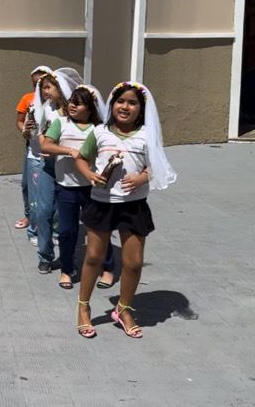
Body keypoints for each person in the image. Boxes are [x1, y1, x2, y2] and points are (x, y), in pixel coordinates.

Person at [74, 81, 177, 339]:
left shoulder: (146, 135)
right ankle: (83, 308)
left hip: (133, 206)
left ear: (141, 109)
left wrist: (143, 178)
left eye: (132, 103)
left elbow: (156, 166)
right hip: (101, 203)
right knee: (93, 258)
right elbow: (80, 158)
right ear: (112, 105)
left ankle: (123, 309)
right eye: (121, 101)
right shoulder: (99, 133)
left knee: (133, 262)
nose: (125, 107)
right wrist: (90, 175)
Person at [41, 84, 114, 290]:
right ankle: (66, 269)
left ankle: (107, 269)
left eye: (79, 103)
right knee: (66, 231)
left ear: (90, 109)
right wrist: (68, 150)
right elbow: (46, 145)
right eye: (72, 101)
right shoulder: (60, 123)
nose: (73, 105)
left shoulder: (98, 129)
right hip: (66, 187)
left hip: (93, 188)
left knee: (99, 230)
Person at [31, 68, 84, 274]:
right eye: (43, 88)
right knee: (43, 211)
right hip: (48, 166)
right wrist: (45, 145)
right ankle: (45, 256)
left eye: (48, 87)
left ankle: (67, 259)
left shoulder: (76, 110)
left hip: (70, 169)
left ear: (61, 88)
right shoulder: (47, 108)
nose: (45, 92)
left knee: (67, 217)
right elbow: (42, 133)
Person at [15, 65, 52, 241]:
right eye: (36, 84)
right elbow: (20, 121)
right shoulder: (28, 99)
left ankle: (47, 225)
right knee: (27, 186)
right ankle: (30, 217)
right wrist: (25, 131)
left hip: (48, 151)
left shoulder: (55, 105)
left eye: (43, 84)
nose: (39, 88)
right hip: (32, 147)